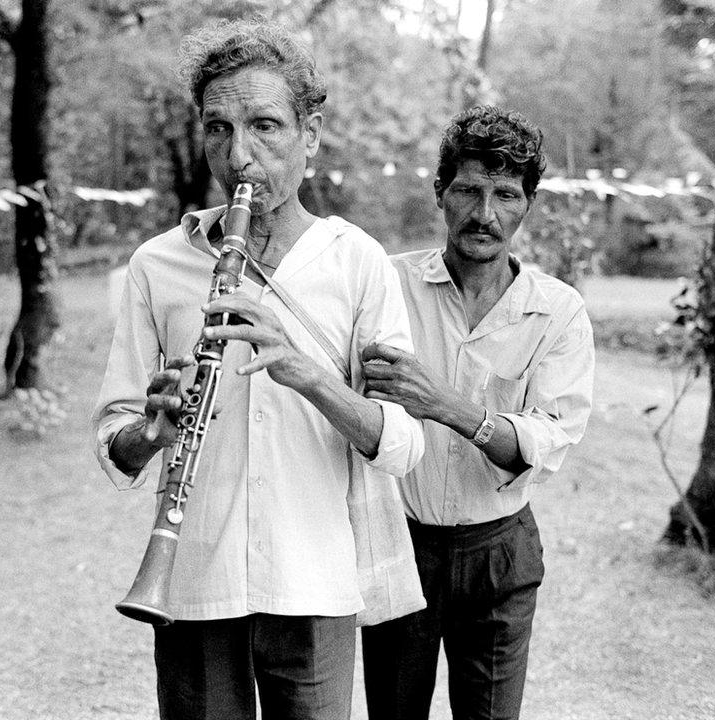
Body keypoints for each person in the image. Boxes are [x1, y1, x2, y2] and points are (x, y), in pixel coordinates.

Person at [91, 19, 424, 720]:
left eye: (265, 126)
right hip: (191, 583)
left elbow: (403, 444)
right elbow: (116, 441)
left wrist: (306, 372)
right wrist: (151, 433)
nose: (239, 156)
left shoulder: (357, 261)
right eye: (219, 129)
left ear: (311, 132)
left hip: (315, 585)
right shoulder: (158, 265)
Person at [360, 105, 595, 720]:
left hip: (501, 552)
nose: (484, 214)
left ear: (527, 205)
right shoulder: (386, 284)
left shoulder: (558, 311)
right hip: (398, 540)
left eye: (505, 194)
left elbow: (550, 438)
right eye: (468, 189)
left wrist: (447, 406)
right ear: (440, 192)